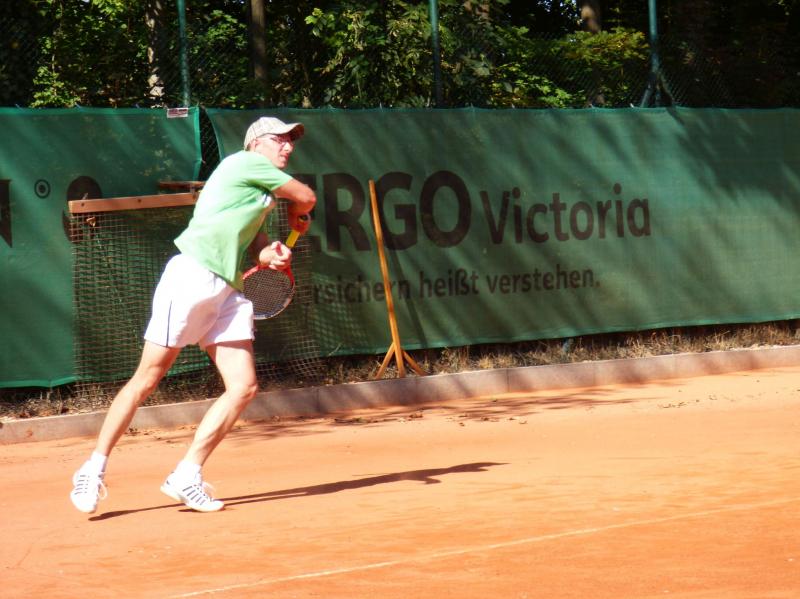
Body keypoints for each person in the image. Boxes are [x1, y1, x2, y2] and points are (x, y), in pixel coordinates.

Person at [69, 116, 316, 514]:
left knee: (244, 387)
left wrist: (271, 253)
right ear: (256, 143)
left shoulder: (259, 192)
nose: (288, 146)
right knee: (147, 378)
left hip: (227, 289)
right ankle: (92, 469)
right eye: (279, 139)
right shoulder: (244, 163)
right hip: (192, 276)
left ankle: (186, 474)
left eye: (291, 141)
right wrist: (296, 212)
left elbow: (256, 245)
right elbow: (305, 196)